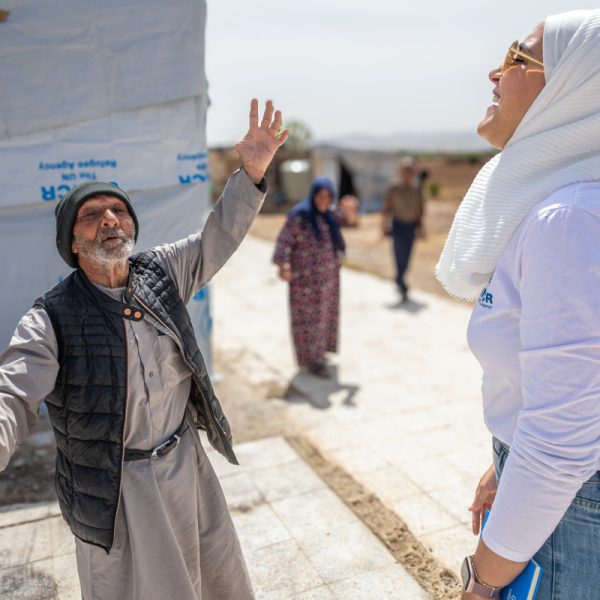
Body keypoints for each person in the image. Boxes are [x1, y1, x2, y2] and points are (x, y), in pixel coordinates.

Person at [0, 99, 288, 600]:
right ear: (71, 241)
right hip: (119, 491)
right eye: (92, 215)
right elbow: (13, 392)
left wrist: (251, 173)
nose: (110, 219)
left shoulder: (162, 272)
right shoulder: (50, 317)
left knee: (216, 577)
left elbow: (220, 236)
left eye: (118, 210)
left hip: (188, 466)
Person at [435, 11, 600, 600]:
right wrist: (505, 463)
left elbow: (562, 447)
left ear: (573, 88)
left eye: (515, 56)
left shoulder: (570, 221)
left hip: (571, 516)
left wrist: (480, 583)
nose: (494, 73)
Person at [273, 177, 345, 378]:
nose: (325, 200)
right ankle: (313, 361)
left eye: (329, 197)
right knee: (309, 321)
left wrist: (350, 210)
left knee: (325, 318)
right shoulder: (300, 215)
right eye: (321, 196)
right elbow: (283, 241)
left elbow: (349, 220)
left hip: (329, 279)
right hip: (305, 282)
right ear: (313, 195)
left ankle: (320, 354)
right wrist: (282, 266)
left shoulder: (328, 215)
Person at [382, 157, 424, 302]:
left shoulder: (417, 187)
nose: (408, 172)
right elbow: (387, 208)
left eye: (411, 170)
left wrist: (421, 226)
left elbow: (420, 208)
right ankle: (401, 281)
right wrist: (384, 225)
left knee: (407, 255)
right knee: (399, 253)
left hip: (411, 226)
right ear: (401, 171)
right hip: (398, 225)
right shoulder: (394, 187)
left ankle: (400, 278)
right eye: (406, 170)